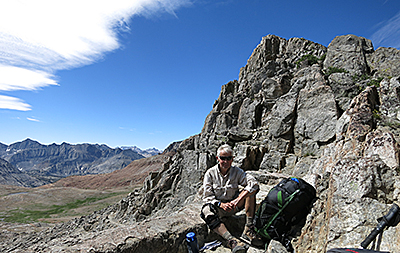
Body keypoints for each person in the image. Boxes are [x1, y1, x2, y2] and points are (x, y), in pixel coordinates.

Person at [200, 144, 263, 253]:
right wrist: (221, 205)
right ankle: (232, 240)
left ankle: (248, 229)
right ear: (217, 158)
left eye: (228, 158)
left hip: (235, 205)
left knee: (251, 192)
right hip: (219, 208)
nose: (226, 161)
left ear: (232, 159)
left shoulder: (237, 171)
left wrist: (237, 200)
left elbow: (254, 183)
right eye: (223, 158)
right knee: (206, 211)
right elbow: (207, 197)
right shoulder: (210, 173)